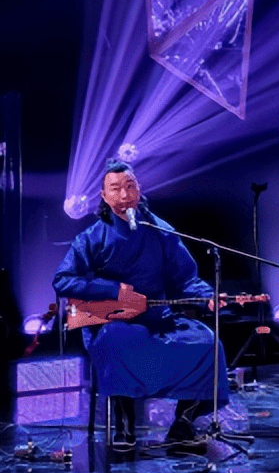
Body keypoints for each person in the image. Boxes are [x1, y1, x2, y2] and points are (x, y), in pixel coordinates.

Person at [53, 161, 231, 453]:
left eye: (130, 186)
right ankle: (124, 422)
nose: (124, 195)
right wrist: (113, 290)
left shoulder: (160, 230)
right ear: (104, 196)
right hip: (113, 321)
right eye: (116, 189)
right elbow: (63, 280)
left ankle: (183, 423)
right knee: (119, 339)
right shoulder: (92, 237)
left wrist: (207, 297)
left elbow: (185, 278)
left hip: (159, 318)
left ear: (139, 189)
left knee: (207, 342)